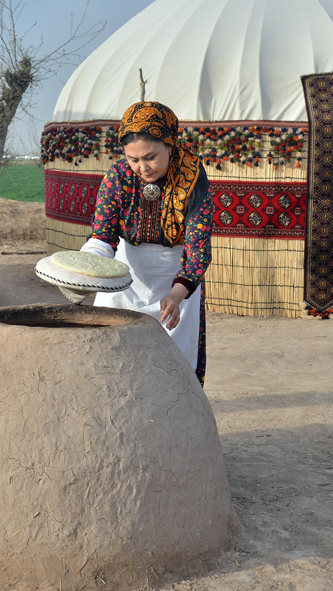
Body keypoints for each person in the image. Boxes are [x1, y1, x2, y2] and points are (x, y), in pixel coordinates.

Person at [80, 101, 214, 383]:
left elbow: (197, 252)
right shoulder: (118, 177)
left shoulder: (192, 179)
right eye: (133, 159)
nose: (142, 167)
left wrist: (176, 296)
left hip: (176, 279)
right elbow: (102, 234)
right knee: (111, 355)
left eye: (151, 157)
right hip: (125, 274)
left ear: (170, 144)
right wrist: (85, 269)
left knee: (173, 365)